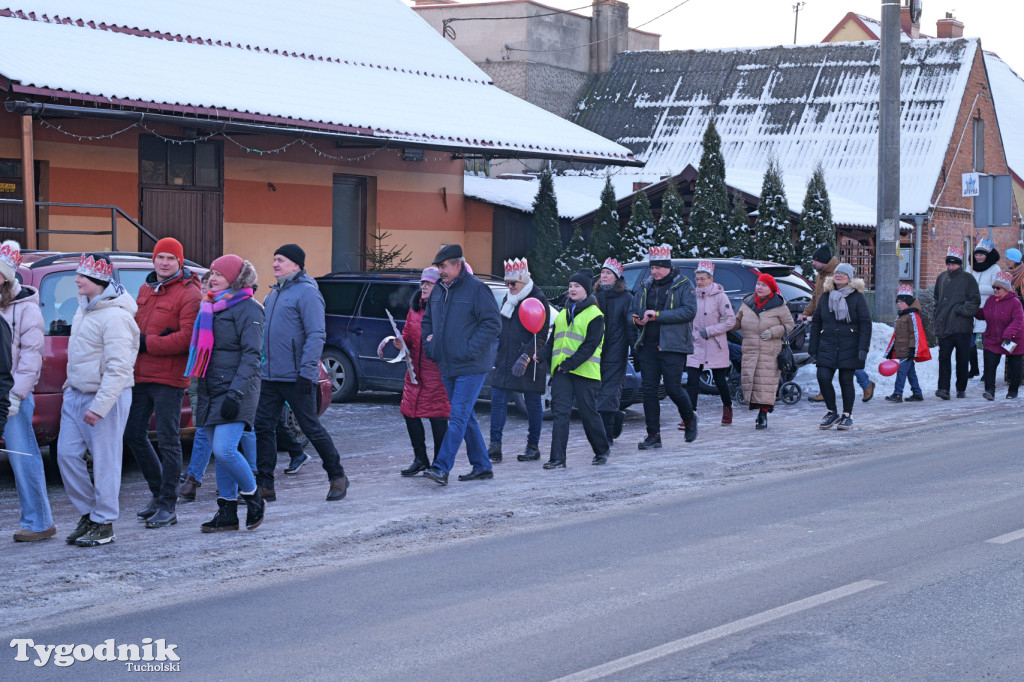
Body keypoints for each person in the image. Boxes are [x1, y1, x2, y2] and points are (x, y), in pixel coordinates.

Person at [255, 244, 349, 502]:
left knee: (310, 427)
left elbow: (317, 334)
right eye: (274, 259)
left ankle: (337, 476)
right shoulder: (273, 295)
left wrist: (307, 373)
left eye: (281, 260)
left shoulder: (307, 293)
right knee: (263, 427)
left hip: (297, 376)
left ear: (296, 265)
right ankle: (265, 484)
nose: (275, 264)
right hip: (270, 376)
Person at [59, 254, 139, 547]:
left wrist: (100, 406)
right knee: (66, 456)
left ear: (99, 281)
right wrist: (70, 388)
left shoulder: (116, 316)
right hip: (76, 395)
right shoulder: (84, 309)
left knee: (106, 461)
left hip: (106, 399)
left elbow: (119, 368)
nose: (77, 280)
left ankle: (104, 522)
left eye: (82, 276)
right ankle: (88, 514)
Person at [125, 237, 202, 529]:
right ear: (154, 261)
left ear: (179, 262)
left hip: (170, 378)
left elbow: (186, 339)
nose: (165, 263)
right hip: (141, 374)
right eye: (161, 257)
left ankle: (168, 506)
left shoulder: (190, 293)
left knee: (169, 440)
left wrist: (148, 343)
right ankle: (157, 494)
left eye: (171, 258)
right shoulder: (146, 288)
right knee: (133, 433)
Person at [187, 254, 265, 532]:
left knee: (225, 449)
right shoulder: (210, 306)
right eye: (212, 274)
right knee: (219, 455)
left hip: (236, 389)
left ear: (234, 278)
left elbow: (251, 356)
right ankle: (227, 512)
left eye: (220, 274)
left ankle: (253, 495)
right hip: (209, 387)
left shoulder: (250, 309)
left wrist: (235, 394)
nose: (213, 278)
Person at [420, 244, 501, 485]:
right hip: (447, 364)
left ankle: (441, 467)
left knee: (456, 416)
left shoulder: (477, 289)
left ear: (458, 265)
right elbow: (427, 323)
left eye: (443, 267)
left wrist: (469, 349)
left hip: (472, 366)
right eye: (438, 267)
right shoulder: (438, 291)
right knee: (466, 417)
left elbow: (492, 324)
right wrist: (430, 345)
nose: (440, 271)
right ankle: (482, 466)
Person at [536, 269, 610, 467]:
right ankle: (557, 458)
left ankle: (601, 450)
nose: (572, 289)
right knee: (560, 414)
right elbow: (552, 342)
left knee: (588, 413)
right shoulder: (562, 314)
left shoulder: (595, 315)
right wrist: (540, 356)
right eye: (570, 286)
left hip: (585, 373)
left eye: (577, 286)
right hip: (563, 373)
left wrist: (569, 364)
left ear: (586, 290)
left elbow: (590, 345)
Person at [631, 244, 698, 449]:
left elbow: (689, 311)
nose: (655, 271)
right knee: (649, 391)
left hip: (673, 346)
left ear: (669, 266)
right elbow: (633, 309)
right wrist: (636, 319)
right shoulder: (645, 285)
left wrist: (658, 316)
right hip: (648, 346)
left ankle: (689, 419)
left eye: (659, 267)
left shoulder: (684, 284)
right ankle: (653, 435)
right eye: (652, 268)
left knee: (673, 388)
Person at [0, 241, 45, 541]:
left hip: (12, 396)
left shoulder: (25, 310)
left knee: (21, 457)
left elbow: (31, 359)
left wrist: (15, 396)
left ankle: (37, 522)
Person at [488, 258, 549, 463]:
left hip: (529, 361)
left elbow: (540, 335)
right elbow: (502, 328)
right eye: (507, 283)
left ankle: (533, 446)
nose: (509, 286)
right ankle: (495, 445)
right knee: (497, 402)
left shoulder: (538, 298)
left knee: (532, 403)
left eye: (513, 283)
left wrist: (525, 356)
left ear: (523, 280)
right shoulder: (508, 299)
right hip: (505, 359)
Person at [799, 244, 875, 403]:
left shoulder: (839, 274)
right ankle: (825, 391)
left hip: (842, 325)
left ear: (824, 262)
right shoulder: (821, 275)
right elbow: (815, 298)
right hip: (825, 321)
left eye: (815, 260)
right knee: (826, 363)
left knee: (847, 362)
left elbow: (864, 320)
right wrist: (807, 313)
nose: (813, 263)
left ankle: (866, 384)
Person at [394, 267, 450, 476]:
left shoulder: (444, 309)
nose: (424, 286)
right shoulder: (415, 308)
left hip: (436, 374)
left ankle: (439, 463)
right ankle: (420, 459)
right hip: (414, 372)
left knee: (437, 418)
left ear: (439, 287)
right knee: (409, 413)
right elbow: (408, 333)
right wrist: (401, 342)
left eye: (429, 283)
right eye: (422, 283)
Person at [809, 263, 871, 430]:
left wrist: (863, 348)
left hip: (849, 345)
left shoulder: (857, 297)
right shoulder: (825, 296)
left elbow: (865, 323)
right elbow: (816, 322)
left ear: (849, 278)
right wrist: (813, 346)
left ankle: (847, 415)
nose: (839, 276)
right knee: (823, 377)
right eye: (837, 273)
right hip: (827, 345)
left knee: (846, 380)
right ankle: (832, 411)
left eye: (843, 274)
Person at [733, 273, 794, 430]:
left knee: (766, 383)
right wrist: (727, 322)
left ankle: (763, 414)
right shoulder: (747, 303)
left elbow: (789, 325)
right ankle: (758, 410)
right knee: (752, 382)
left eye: (763, 285)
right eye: (758, 284)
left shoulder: (779, 306)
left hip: (770, 351)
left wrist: (773, 332)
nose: (759, 287)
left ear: (771, 288)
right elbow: (738, 322)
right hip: (751, 349)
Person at [685, 261, 736, 426]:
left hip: (715, 343)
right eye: (697, 279)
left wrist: (710, 330)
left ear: (711, 279)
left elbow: (730, 321)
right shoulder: (692, 295)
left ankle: (727, 407)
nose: (699, 282)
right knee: (692, 380)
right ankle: (690, 416)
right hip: (696, 343)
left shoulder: (720, 296)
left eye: (702, 279)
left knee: (720, 380)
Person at [932, 246, 981, 399]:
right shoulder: (941, 277)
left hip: (962, 326)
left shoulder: (968, 279)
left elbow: (975, 301)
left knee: (962, 359)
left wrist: (961, 310)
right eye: (948, 264)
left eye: (953, 264)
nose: (950, 267)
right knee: (944, 358)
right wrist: (937, 314)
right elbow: (936, 299)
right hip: (945, 325)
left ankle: (961, 388)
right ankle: (943, 388)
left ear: (959, 264)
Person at [593, 257, 632, 442]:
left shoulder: (626, 298)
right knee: (597, 394)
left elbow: (631, 326)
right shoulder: (594, 297)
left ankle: (606, 437)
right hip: (595, 351)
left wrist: (636, 351)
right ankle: (615, 419)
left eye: (608, 273)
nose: (604, 276)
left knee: (609, 395)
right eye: (603, 273)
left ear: (616, 277)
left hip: (616, 352)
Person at [974, 271, 1023, 400]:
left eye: (998, 288)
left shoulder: (1015, 303)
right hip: (992, 338)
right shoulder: (991, 300)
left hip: (1011, 339)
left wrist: (1008, 334)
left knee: (1014, 365)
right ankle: (989, 391)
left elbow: (1018, 320)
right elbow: (984, 314)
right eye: (994, 287)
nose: (995, 290)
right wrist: (972, 310)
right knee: (990, 365)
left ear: (1006, 289)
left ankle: (1013, 390)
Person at [883, 285, 931, 402]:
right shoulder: (901, 315)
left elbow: (915, 334)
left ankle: (898, 394)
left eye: (901, 302)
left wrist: (912, 349)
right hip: (902, 349)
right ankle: (917, 393)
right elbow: (897, 335)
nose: (899, 304)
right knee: (911, 372)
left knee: (901, 372)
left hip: (907, 350)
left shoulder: (912, 316)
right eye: (898, 302)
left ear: (908, 302)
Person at [969, 238, 1001, 379]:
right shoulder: (970, 267)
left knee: (987, 342)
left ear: (987, 255)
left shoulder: (995, 268)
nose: (979, 257)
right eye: (977, 254)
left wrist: (976, 289)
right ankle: (974, 368)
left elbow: (997, 288)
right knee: (970, 341)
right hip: (971, 308)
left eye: (982, 254)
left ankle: (987, 371)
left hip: (988, 309)